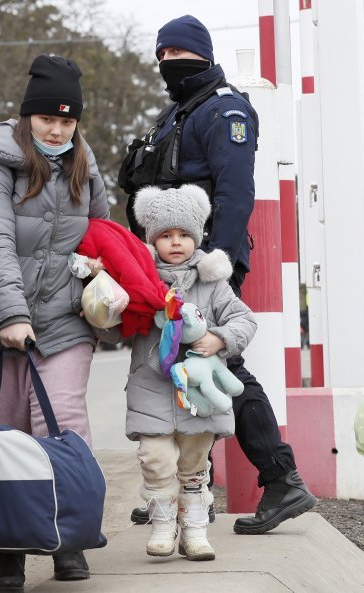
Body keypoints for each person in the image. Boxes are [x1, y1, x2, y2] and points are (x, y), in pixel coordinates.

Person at [119, 14, 316, 535]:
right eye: (161, 57)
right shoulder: (179, 112)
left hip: (206, 266)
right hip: (173, 268)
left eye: (177, 56)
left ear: (202, 55)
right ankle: (193, 492)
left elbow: (235, 193)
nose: (168, 65)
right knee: (180, 370)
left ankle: (280, 477)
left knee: (222, 364)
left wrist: (219, 264)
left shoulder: (223, 109)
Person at [0, 54, 109, 592]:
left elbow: (102, 233)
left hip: (66, 319)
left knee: (63, 423)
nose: (57, 130)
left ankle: (69, 535)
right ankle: (10, 549)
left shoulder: (84, 166)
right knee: (2, 435)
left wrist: (100, 274)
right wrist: (13, 314)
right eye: (48, 119)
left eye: (68, 122)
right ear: (27, 118)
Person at [127, 184, 257, 561]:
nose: (176, 242)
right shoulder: (140, 278)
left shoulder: (212, 281)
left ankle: (196, 530)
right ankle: (164, 524)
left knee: (194, 464)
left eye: (184, 234)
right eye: (166, 235)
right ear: (152, 239)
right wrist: (109, 303)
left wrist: (219, 338)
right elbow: (112, 327)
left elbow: (243, 319)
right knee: (155, 458)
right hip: (150, 384)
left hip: (198, 394)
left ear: (197, 235)